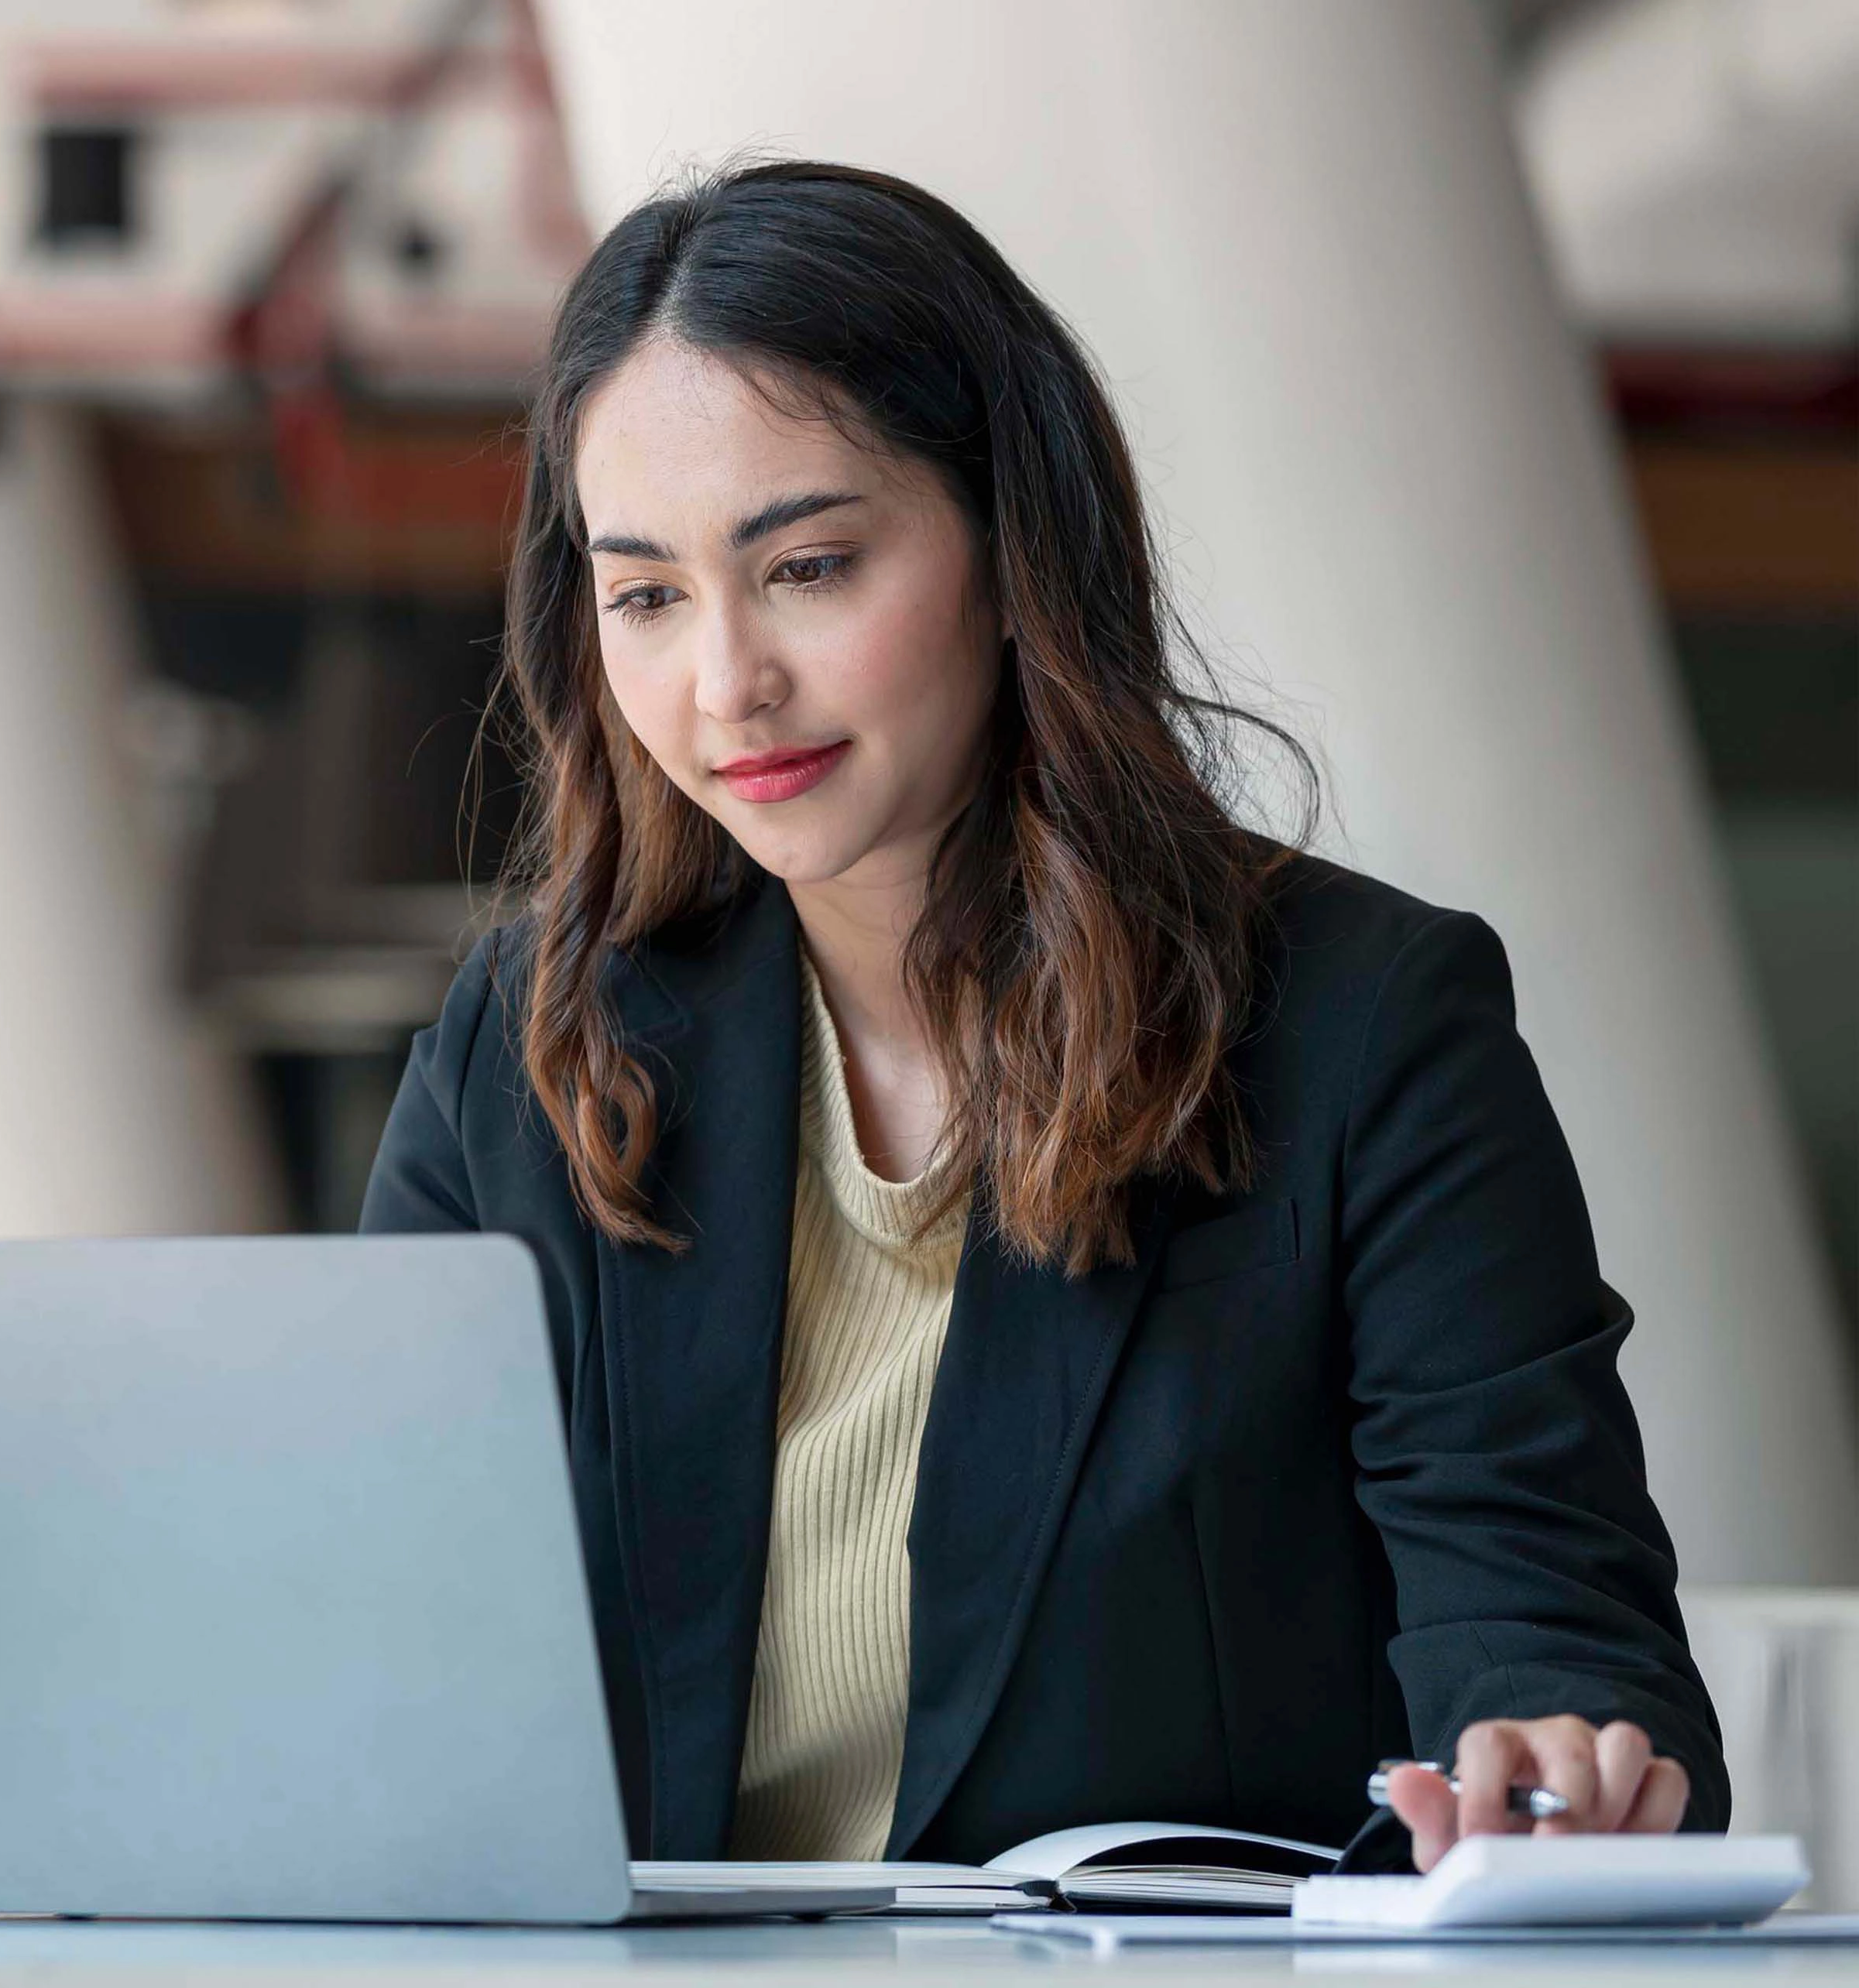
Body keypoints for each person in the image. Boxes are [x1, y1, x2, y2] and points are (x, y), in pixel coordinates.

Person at [358, 160, 1724, 1875]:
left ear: (1013, 548)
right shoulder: (534, 1041)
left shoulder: (1366, 1029)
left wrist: (1559, 1756)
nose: (726, 686)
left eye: (811, 566)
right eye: (646, 596)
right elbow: (362, 1629)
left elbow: (1547, 1619)